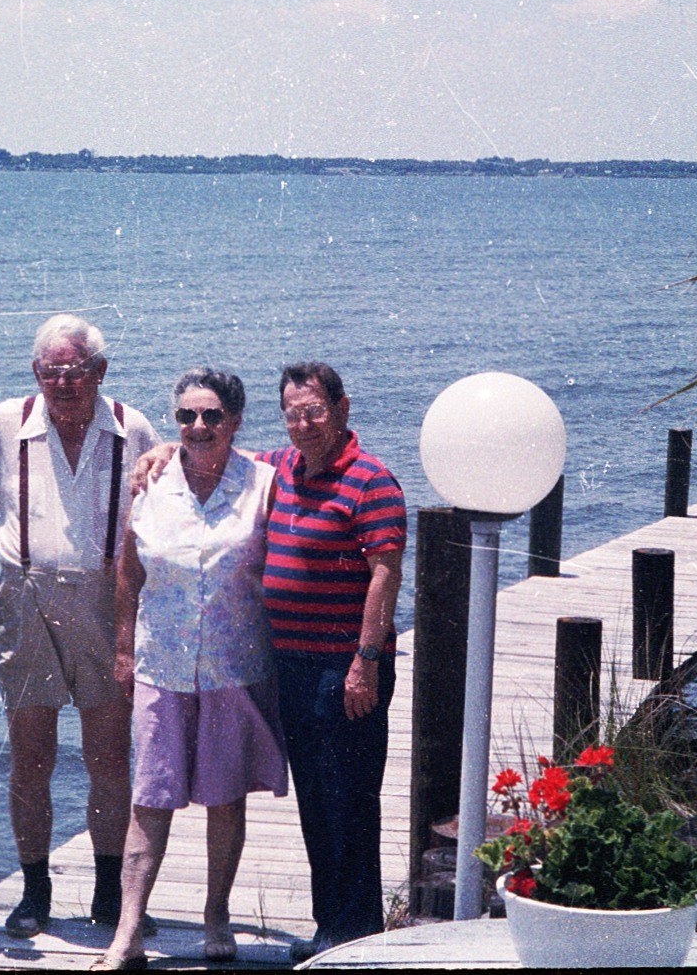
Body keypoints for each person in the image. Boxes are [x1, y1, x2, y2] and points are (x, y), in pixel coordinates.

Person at [131, 362, 406, 960]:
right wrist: (156, 452)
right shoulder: (284, 467)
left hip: (345, 668)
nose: (304, 423)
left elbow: (385, 574)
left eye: (315, 410)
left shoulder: (371, 481)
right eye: (293, 413)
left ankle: (354, 929)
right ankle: (331, 924)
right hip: (291, 664)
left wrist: (366, 660)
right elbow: (214, 447)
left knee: (350, 799)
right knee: (316, 799)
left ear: (342, 408)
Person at [0, 314, 161, 938]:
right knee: (31, 755)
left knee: (108, 756)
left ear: (100, 371)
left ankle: (109, 893)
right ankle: (34, 892)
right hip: (25, 601)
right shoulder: (3, 422)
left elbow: (163, 493)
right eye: (52, 372)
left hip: (107, 599)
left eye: (76, 372)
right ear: (35, 373)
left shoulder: (134, 426)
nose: (65, 384)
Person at [101, 368, 288, 970]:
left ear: (234, 421)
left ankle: (216, 913)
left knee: (225, 797)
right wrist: (124, 649)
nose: (197, 427)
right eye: (185, 417)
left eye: (211, 416)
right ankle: (127, 932)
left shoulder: (264, 482)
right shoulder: (151, 483)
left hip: (235, 665)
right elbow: (128, 572)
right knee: (149, 799)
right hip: (164, 666)